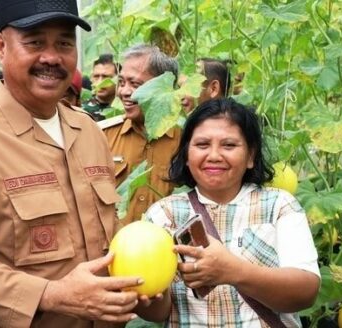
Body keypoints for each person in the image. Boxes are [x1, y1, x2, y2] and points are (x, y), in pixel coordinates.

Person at [0, 0, 166, 326]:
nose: (52, 57)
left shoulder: (89, 131)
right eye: (35, 42)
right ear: (1, 47)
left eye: (64, 42)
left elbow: (104, 232)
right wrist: (52, 294)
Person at [144, 98, 320, 326]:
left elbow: (305, 292)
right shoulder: (163, 214)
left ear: (250, 156)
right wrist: (146, 294)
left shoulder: (279, 205)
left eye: (229, 145)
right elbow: (159, 313)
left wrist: (233, 271)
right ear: (187, 155)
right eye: (202, 145)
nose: (214, 155)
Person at [101, 44, 181, 225]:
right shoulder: (102, 136)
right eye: (121, 83)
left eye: (135, 84)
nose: (124, 91)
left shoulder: (188, 139)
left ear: (164, 87)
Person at [83, 53, 120, 120]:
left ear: (118, 79)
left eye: (106, 77)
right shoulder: (83, 111)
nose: (100, 82)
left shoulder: (126, 108)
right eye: (96, 76)